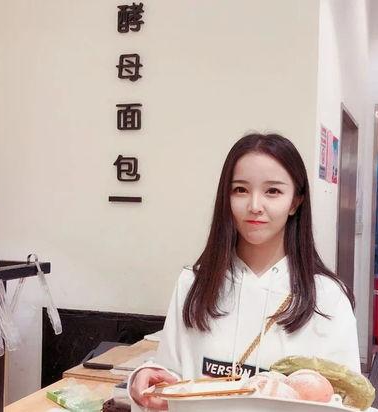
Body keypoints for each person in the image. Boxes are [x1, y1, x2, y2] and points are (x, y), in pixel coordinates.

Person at [129, 133, 360, 411]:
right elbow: (172, 380)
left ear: (295, 202)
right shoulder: (193, 283)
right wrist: (148, 377)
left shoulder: (328, 297)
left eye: (273, 191)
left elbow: (347, 401)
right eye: (240, 190)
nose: (254, 206)